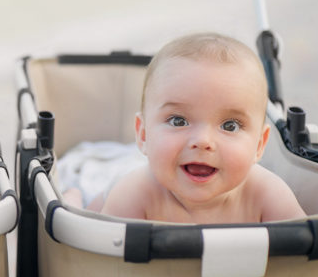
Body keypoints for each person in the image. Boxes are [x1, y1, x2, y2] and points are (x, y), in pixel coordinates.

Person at [100, 32, 304, 224]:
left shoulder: (267, 194)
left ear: (259, 145)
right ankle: (76, 197)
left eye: (230, 126)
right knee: (95, 203)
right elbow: (95, 251)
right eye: (178, 121)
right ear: (143, 135)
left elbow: (309, 255)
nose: (203, 141)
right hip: (109, 190)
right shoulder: (134, 194)